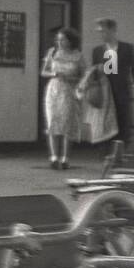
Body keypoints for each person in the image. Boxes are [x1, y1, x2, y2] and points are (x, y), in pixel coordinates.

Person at [89, 18, 134, 148]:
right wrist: (95, 74)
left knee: (123, 123)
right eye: (100, 32)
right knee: (106, 125)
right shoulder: (97, 50)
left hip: (122, 91)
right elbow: (93, 72)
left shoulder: (127, 48)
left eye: (104, 31)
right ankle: (108, 156)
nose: (102, 35)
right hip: (105, 93)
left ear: (113, 30)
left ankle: (123, 154)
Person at [40, 27, 84, 169]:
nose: (59, 42)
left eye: (63, 39)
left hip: (69, 90)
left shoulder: (78, 55)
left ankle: (65, 158)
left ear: (70, 41)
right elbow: (43, 72)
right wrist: (53, 74)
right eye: (58, 39)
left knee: (66, 122)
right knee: (52, 121)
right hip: (54, 89)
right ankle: (53, 157)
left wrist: (71, 77)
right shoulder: (52, 53)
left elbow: (83, 75)